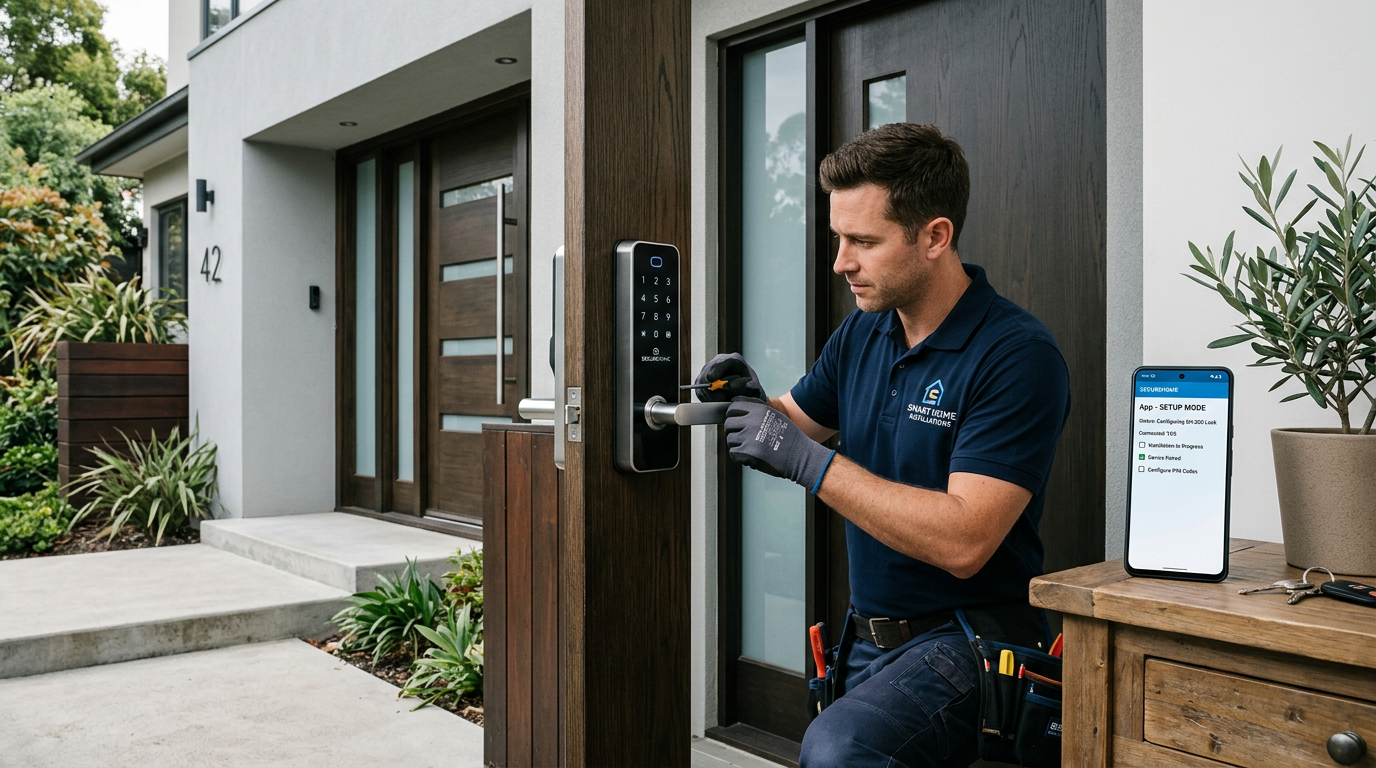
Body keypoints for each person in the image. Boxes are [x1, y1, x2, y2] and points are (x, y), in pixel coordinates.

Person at [695, 123, 1071, 767]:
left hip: (968, 639)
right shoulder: (863, 335)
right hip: (867, 637)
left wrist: (810, 464)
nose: (841, 261)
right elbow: (796, 425)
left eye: (863, 241)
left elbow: (965, 540)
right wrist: (753, 405)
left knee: (841, 751)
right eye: (839, 238)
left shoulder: (1016, 356)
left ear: (935, 236)